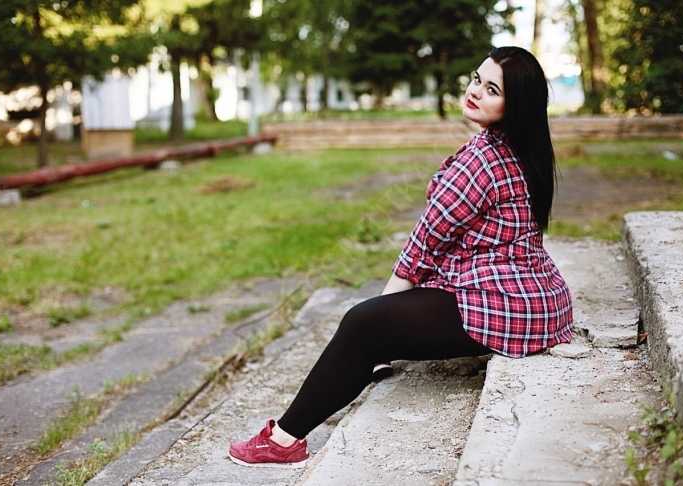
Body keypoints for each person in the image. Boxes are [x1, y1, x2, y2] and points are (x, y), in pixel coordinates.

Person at [227, 46, 574, 468]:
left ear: (514, 105)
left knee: (362, 323)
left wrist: (380, 321)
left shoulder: (483, 161)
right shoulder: (514, 146)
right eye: (476, 79)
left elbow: (423, 245)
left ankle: (283, 441)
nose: (475, 91)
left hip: (504, 303)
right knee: (378, 322)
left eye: (492, 90)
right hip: (533, 298)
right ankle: (363, 362)